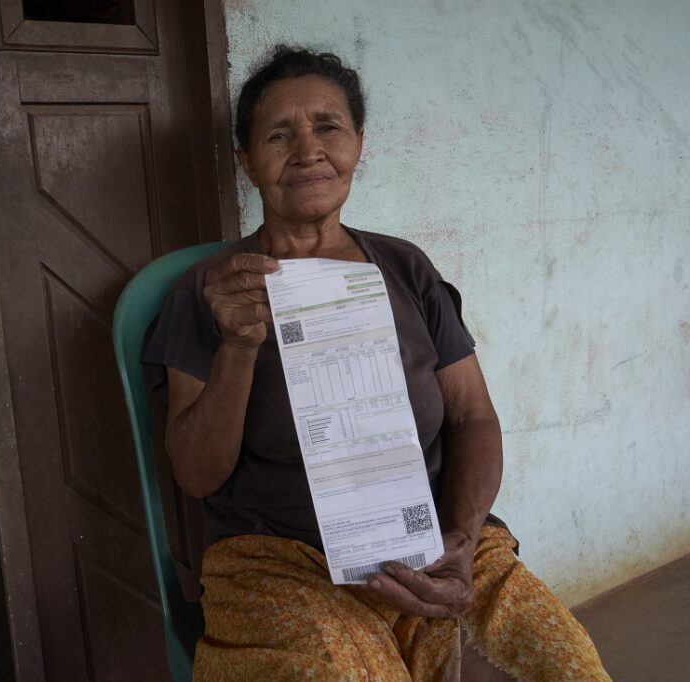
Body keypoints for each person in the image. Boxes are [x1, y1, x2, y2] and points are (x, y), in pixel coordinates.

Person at [144, 46, 610, 681]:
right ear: (246, 160)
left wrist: (463, 538)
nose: (308, 149)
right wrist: (239, 347)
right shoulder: (211, 291)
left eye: (327, 126)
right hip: (276, 557)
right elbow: (197, 476)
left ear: (359, 142)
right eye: (279, 134)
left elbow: (473, 417)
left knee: (569, 666)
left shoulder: (405, 268)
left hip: (427, 535)